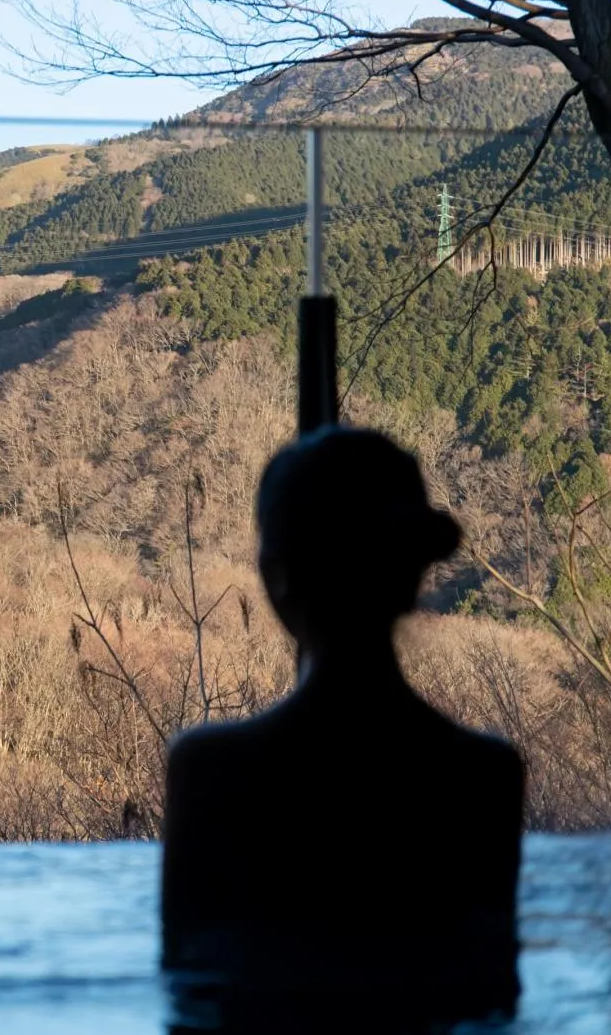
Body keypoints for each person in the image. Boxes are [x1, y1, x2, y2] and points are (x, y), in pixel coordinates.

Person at [162, 427, 525, 1031]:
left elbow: (189, 987)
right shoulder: (483, 773)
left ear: (277, 577)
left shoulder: (212, 770)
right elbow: (488, 995)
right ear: (414, 575)